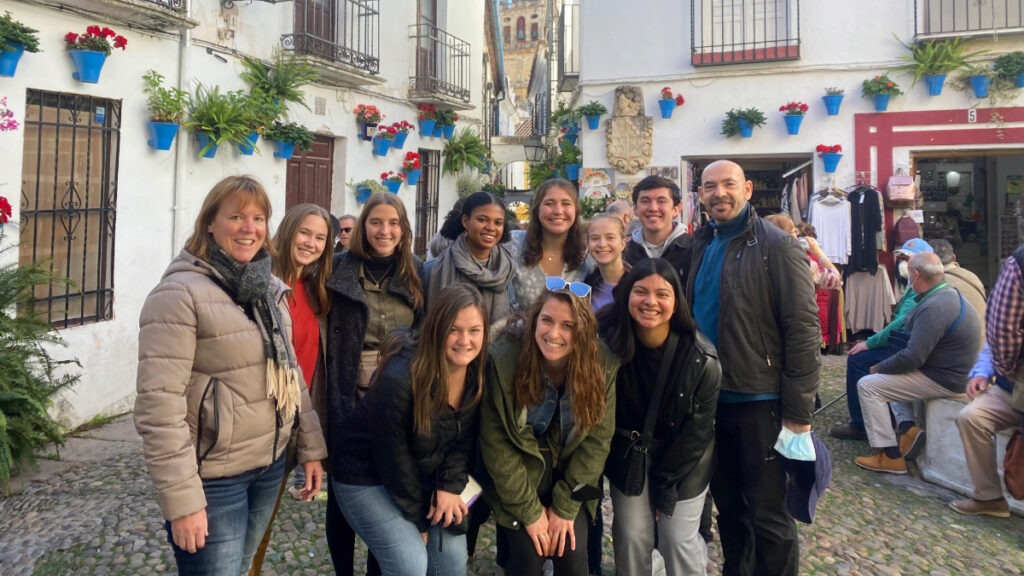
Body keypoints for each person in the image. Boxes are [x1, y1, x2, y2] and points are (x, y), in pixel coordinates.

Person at [135, 175, 327, 575]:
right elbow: (159, 408)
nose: (249, 228)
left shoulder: (267, 289)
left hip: (269, 465)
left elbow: (290, 376)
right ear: (210, 223)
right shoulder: (179, 295)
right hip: (214, 481)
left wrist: (310, 448)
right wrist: (184, 502)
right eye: (236, 216)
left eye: (258, 218)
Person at [689, 160, 821, 576]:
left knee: (769, 514)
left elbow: (802, 328)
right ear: (701, 195)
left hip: (760, 399)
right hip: (712, 399)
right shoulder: (703, 241)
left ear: (747, 189)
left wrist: (798, 414)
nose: (719, 193)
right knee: (729, 508)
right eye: (710, 186)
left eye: (728, 184)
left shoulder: (777, 245)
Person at [333, 285, 489, 575]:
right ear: (436, 328)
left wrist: (449, 486)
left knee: (452, 560)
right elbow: (393, 459)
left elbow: (462, 440)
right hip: (364, 475)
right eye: (454, 330)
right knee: (410, 564)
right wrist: (418, 522)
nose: (465, 341)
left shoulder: (477, 375)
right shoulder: (400, 379)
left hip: (424, 474)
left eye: (474, 331)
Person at [481, 285, 618, 576]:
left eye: (567, 326)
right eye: (547, 321)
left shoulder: (601, 365)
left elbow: (596, 443)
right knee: (528, 558)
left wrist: (565, 508)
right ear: (534, 320)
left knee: (572, 554)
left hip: (573, 480)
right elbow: (497, 445)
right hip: (521, 479)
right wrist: (531, 512)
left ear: (581, 331)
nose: (554, 334)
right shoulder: (505, 360)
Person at [598, 259, 721, 576]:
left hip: (684, 459)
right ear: (626, 295)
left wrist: (664, 488)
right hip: (630, 454)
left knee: (676, 538)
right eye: (640, 291)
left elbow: (698, 434)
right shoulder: (606, 343)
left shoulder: (701, 358)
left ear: (675, 301)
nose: (650, 302)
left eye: (661, 294)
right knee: (632, 536)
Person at [325, 192, 425, 576]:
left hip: (399, 395)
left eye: (393, 223)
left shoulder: (417, 272)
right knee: (342, 493)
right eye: (376, 222)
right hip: (348, 391)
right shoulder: (338, 269)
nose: (385, 231)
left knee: (388, 488)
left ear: (404, 229)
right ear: (364, 226)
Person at [248, 203, 334, 575]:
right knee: (244, 522)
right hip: (257, 422)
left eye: (320, 237)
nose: (311, 243)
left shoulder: (315, 288)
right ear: (287, 231)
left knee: (262, 523)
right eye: (305, 233)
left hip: (293, 423)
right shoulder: (260, 281)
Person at [854, 252, 982, 474]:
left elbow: (914, 357)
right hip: (950, 372)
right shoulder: (945, 295)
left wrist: (880, 367)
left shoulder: (935, 306)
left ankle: (890, 455)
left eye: (908, 270)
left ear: (915, 275)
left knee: (869, 385)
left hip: (946, 378)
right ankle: (907, 428)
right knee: (889, 378)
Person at [830, 238, 934, 442]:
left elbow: (900, 323)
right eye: (902, 258)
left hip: (909, 346)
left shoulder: (921, 288)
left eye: (907, 258)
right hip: (907, 342)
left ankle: (860, 424)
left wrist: (869, 342)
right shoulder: (914, 285)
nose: (903, 263)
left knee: (858, 359)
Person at [951, 247, 1024, 518]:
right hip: (1011, 384)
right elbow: (998, 338)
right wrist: (982, 373)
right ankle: (989, 497)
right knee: (972, 418)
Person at [425, 191, 515, 326]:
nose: (491, 228)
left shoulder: (507, 272)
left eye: (498, 222)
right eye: (482, 220)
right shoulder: (433, 269)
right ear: (465, 221)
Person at [512, 178, 591, 312]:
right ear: (537, 209)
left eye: (566, 203)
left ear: (576, 210)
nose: (558, 211)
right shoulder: (514, 243)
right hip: (522, 332)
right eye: (549, 203)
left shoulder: (589, 252)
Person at [623, 175, 693, 287]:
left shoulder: (695, 251)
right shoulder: (625, 254)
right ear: (635, 209)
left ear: (676, 209)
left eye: (661, 201)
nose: (653, 208)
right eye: (645, 201)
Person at [930, 239, 987, 338]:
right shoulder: (972, 276)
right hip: (981, 342)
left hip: (956, 349)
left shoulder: (932, 282)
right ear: (954, 258)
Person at [584, 213, 629, 313]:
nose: (602, 244)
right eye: (595, 238)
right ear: (588, 244)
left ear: (623, 243)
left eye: (610, 237)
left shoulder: (635, 285)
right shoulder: (586, 282)